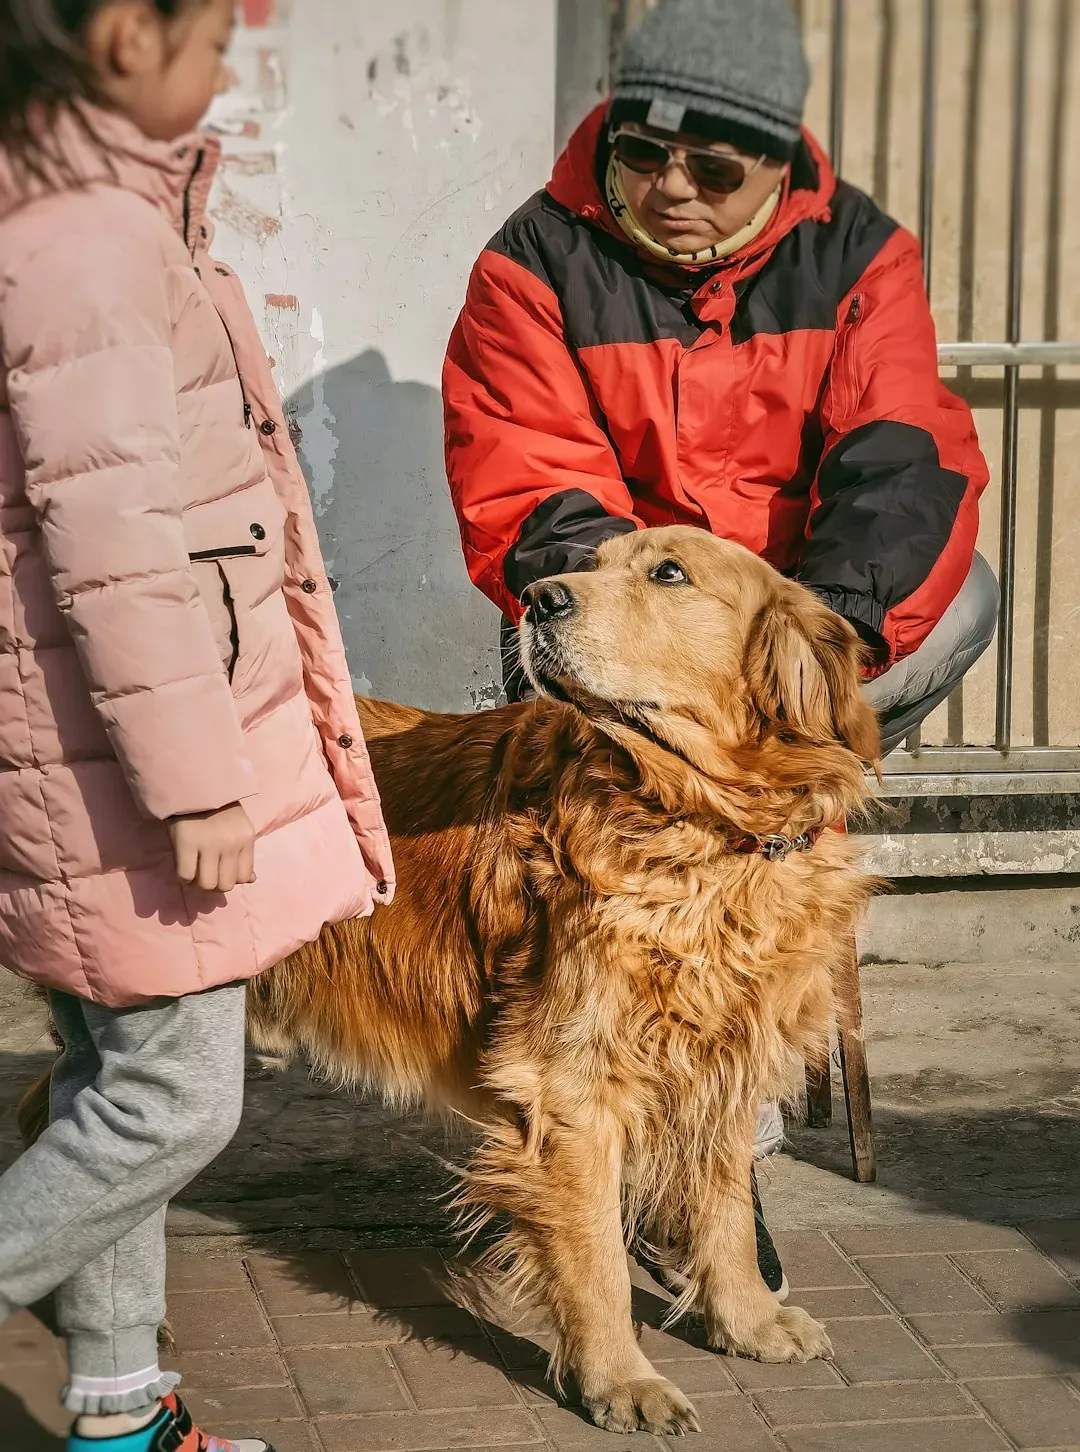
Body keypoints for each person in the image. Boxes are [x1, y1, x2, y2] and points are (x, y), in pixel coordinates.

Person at [443, 0, 997, 1297]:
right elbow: (528, 487)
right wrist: (656, 631)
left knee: (963, 601)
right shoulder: (531, 262)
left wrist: (812, 650)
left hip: (782, 619)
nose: (671, 188)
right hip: (633, 610)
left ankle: (725, 1087)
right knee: (617, 750)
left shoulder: (861, 256)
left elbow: (904, 463)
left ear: (780, 160)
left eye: (713, 168)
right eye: (642, 154)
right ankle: (642, 1117)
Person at [0, 4, 394, 1449]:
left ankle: (117, 1418)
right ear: (119, 36)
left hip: (73, 756)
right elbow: (112, 540)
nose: (231, 64)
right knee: (172, 1105)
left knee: (115, 1082)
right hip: (126, 766)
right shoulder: (85, 241)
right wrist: (195, 786)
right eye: (214, 33)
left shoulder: (62, 211)